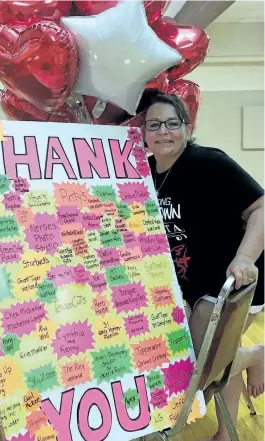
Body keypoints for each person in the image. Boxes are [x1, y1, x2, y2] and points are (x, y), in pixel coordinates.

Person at [141, 91, 264, 441]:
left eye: (172, 123)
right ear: (144, 133)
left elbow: (262, 208)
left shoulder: (208, 162)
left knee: (204, 363)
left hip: (234, 279)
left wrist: (244, 258)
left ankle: (256, 354)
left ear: (187, 127)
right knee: (218, 352)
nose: (163, 132)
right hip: (192, 283)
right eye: (154, 125)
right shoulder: (147, 172)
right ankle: (227, 430)